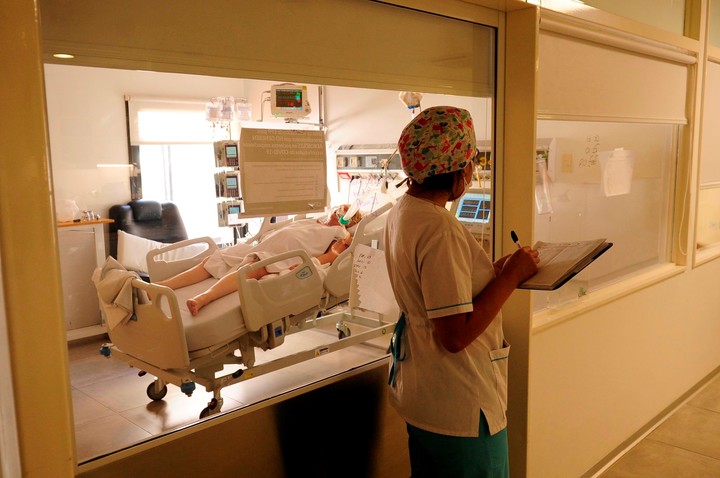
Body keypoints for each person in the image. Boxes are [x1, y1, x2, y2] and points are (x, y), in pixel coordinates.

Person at [384, 106, 540, 477]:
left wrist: (497, 271)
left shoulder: (404, 212)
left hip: (425, 398)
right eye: (471, 163)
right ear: (457, 168)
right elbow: (455, 335)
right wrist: (508, 280)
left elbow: (438, 293)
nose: (472, 172)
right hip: (461, 408)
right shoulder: (440, 228)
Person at [157, 205, 362, 316]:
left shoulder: (339, 234)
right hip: (261, 246)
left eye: (346, 211)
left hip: (281, 257)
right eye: (340, 207)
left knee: (248, 270)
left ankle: (203, 298)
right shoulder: (314, 219)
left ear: (349, 220)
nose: (340, 210)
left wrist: (305, 265)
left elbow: (329, 257)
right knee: (216, 258)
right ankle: (162, 286)